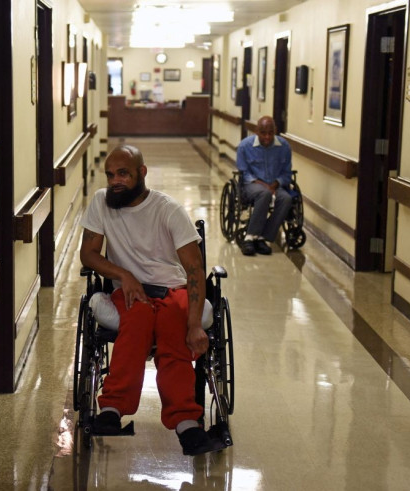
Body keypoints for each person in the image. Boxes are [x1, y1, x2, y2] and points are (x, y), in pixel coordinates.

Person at [79, 144, 222, 456]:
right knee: (136, 324)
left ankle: (186, 421)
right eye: (110, 174)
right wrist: (124, 274)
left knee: (174, 334)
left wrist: (195, 324)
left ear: (142, 173)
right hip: (131, 292)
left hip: (173, 289)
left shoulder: (168, 209)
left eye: (123, 174)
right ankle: (112, 410)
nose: (115, 180)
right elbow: (88, 253)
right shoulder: (102, 203)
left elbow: (195, 269)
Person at [235, 115, 293, 256]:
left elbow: (287, 173)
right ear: (256, 131)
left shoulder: (284, 147)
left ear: (275, 131)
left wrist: (274, 185)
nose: (267, 137)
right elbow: (244, 173)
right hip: (252, 185)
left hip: (275, 185)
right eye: (263, 133)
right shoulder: (245, 146)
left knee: (286, 199)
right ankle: (249, 238)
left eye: (270, 133)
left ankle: (262, 237)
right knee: (264, 193)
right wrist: (264, 186)